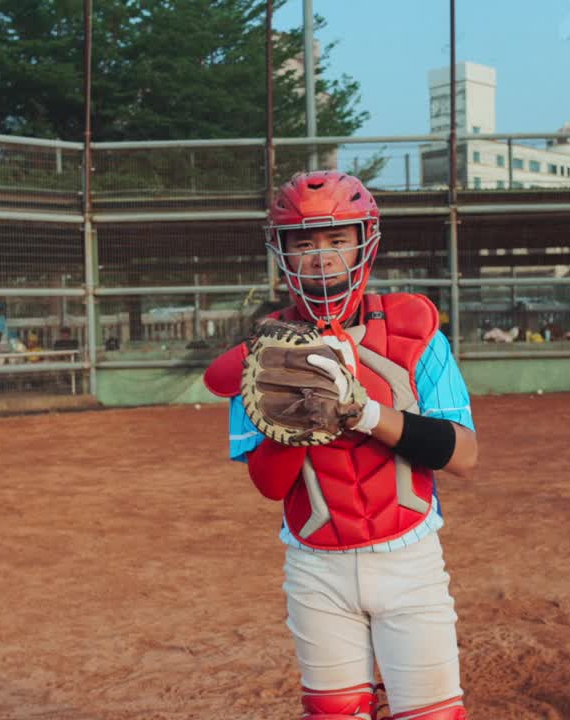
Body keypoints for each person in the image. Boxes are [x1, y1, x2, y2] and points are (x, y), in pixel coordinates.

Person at [203, 171, 477, 720]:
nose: (321, 257)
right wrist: (299, 416)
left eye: (336, 239)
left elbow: (463, 454)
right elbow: (268, 486)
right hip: (316, 568)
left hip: (410, 560)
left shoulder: (414, 332)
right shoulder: (263, 355)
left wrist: (364, 412)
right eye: (303, 243)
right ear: (281, 254)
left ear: (364, 243)